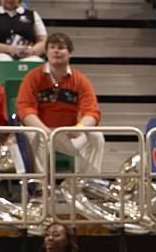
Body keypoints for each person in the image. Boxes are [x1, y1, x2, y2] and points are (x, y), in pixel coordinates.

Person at [16, 33, 103, 175]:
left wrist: (79, 128)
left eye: (61, 48)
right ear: (46, 52)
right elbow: (25, 109)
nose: (56, 51)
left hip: (67, 134)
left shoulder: (81, 80)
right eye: (52, 47)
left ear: (70, 53)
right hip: (42, 129)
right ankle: (39, 188)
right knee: (34, 133)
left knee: (96, 135)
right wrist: (44, 130)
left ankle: (86, 184)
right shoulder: (33, 77)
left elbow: (92, 112)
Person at [0, 0, 45, 77]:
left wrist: (32, 51)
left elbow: (43, 41)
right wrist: (9, 49)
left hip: (27, 54)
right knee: (4, 61)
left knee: (35, 62)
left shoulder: (32, 15)